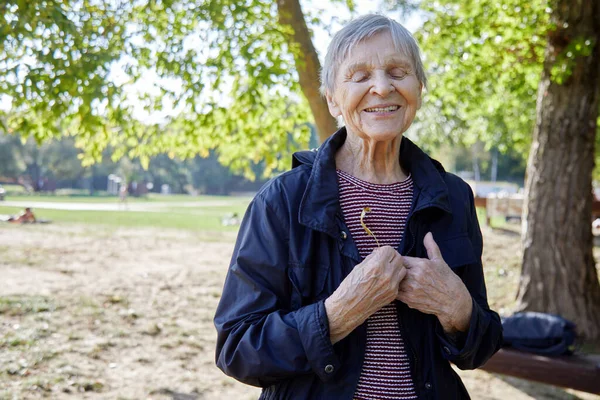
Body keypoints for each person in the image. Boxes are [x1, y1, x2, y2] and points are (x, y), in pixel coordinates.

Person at [214, 14, 502, 400]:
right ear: (332, 98)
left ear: (419, 88)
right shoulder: (283, 200)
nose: (382, 88)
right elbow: (237, 348)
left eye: (398, 72)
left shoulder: (453, 197)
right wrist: (336, 314)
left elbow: (480, 348)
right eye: (360, 76)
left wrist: (458, 308)